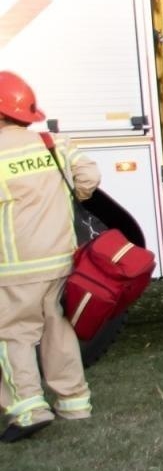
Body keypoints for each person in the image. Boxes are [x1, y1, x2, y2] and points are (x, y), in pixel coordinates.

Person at [0, 71, 100, 443]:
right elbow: (88, 176)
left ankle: (28, 409)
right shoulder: (50, 142)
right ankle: (74, 404)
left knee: (13, 335)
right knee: (58, 329)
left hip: (12, 266)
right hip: (59, 259)